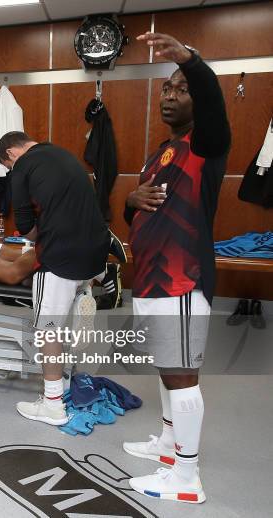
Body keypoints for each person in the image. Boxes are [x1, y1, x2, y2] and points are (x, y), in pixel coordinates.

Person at [122, 33, 230, 504]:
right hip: (149, 279)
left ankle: (186, 478)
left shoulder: (206, 143)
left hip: (180, 280)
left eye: (181, 88)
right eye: (167, 88)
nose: (170, 95)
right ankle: (169, 445)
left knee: (181, 372)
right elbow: (142, 210)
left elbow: (211, 102)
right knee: (168, 369)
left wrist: (190, 59)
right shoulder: (160, 152)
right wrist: (129, 200)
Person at [0, 131, 115, 427]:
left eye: (8, 166)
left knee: (47, 330)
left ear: (11, 154)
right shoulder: (64, 154)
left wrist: (38, 237)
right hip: (95, 251)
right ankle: (84, 293)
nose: (12, 170)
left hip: (61, 256)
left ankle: (52, 404)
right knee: (60, 319)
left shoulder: (21, 167)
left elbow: (25, 226)